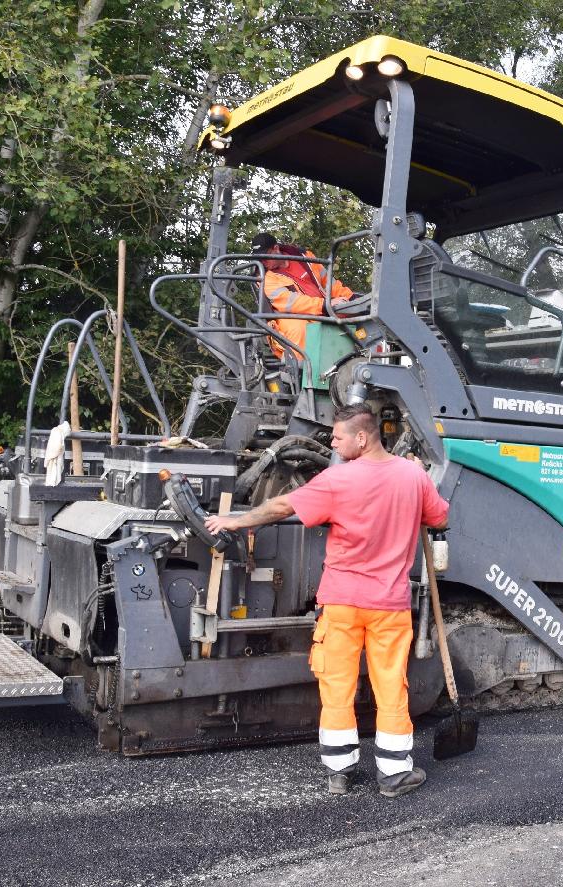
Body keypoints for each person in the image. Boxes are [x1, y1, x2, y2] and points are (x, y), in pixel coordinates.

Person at [204, 404, 450, 797]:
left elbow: (283, 506)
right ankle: (393, 774)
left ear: (362, 437)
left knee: (337, 685)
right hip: (390, 604)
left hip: (341, 602)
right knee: (391, 685)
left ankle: (340, 772)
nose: (331, 442)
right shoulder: (412, 476)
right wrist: (418, 475)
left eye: (337, 437)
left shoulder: (338, 480)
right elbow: (439, 519)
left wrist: (236, 520)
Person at [250, 231, 356, 359]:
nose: (263, 262)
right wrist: (324, 305)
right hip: (289, 317)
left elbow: (329, 282)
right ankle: (303, 374)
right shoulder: (264, 278)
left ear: (276, 248)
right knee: (299, 329)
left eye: (265, 257)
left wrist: (351, 300)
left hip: (322, 309)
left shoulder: (305, 257)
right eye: (258, 259)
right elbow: (291, 302)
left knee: (356, 314)